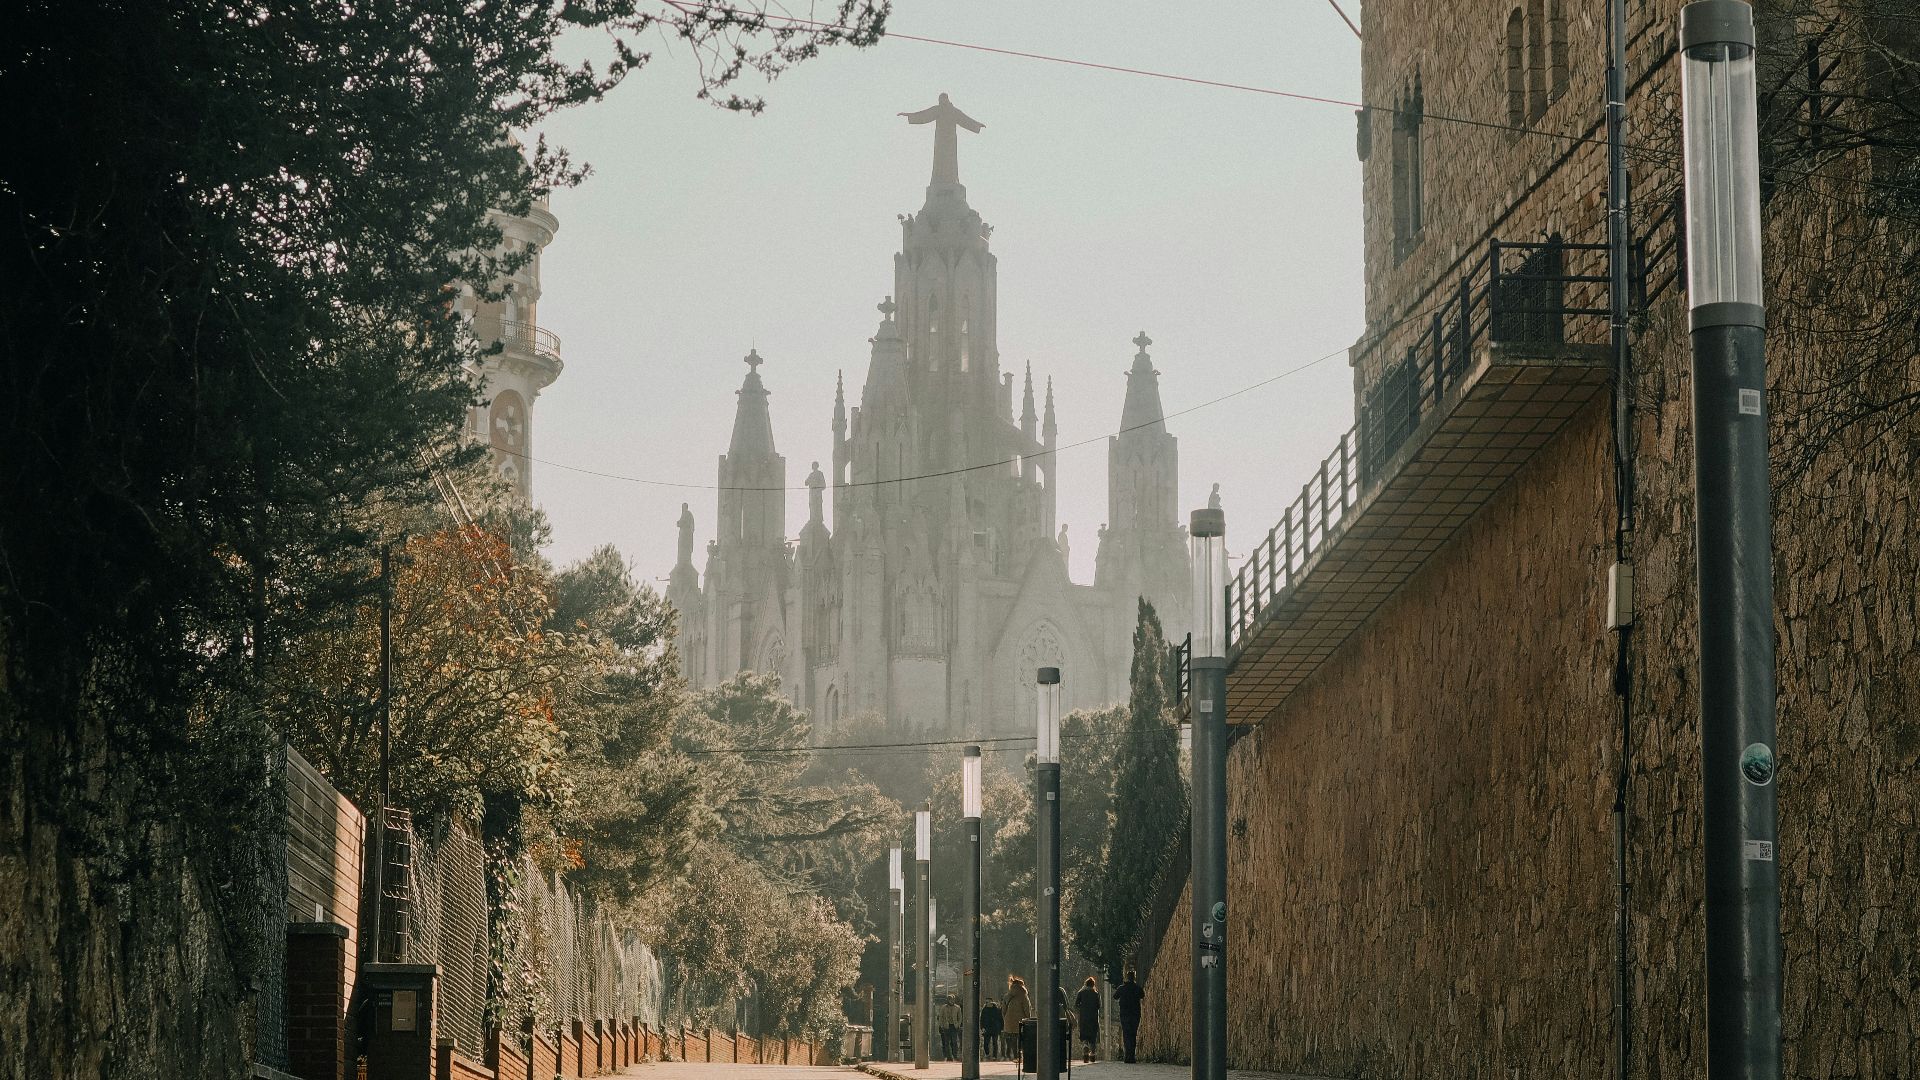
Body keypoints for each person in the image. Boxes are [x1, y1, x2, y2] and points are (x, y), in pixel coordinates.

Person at [1115, 968, 1145, 1063]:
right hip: (1135, 1014)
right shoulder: (1137, 988)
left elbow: (1115, 996)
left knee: (1126, 1034)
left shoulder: (1122, 988)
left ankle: (1127, 1055)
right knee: (1133, 1034)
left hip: (1125, 1014)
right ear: (1134, 977)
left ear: (1127, 977)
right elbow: (1142, 995)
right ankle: (1131, 1056)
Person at [1002, 977, 1032, 1067]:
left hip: (1009, 1021)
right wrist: (1028, 1019)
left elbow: (1003, 1010)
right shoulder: (1023, 995)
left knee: (1013, 1039)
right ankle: (1021, 1056)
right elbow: (1027, 1009)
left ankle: (1015, 1056)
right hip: (1021, 1021)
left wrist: (1006, 1019)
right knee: (1022, 1039)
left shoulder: (1007, 995)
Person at [1074, 976, 1102, 1064]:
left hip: (1083, 1018)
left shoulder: (1081, 992)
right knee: (1093, 1037)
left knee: (1085, 1035)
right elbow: (1099, 1005)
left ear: (1085, 984)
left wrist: (1081, 1009)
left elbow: (1076, 1004)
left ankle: (1085, 1047)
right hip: (1093, 1018)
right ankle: (1092, 1054)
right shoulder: (1096, 993)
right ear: (1093, 985)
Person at [937, 995, 961, 1060]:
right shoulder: (943, 1007)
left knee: (954, 1041)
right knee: (946, 1042)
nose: (951, 1001)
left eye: (953, 999)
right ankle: (948, 1056)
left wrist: (958, 1024)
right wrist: (941, 1025)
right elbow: (940, 1017)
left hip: (954, 1026)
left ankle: (955, 1055)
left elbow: (959, 1017)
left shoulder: (957, 1008)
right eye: (950, 1000)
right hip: (946, 1026)